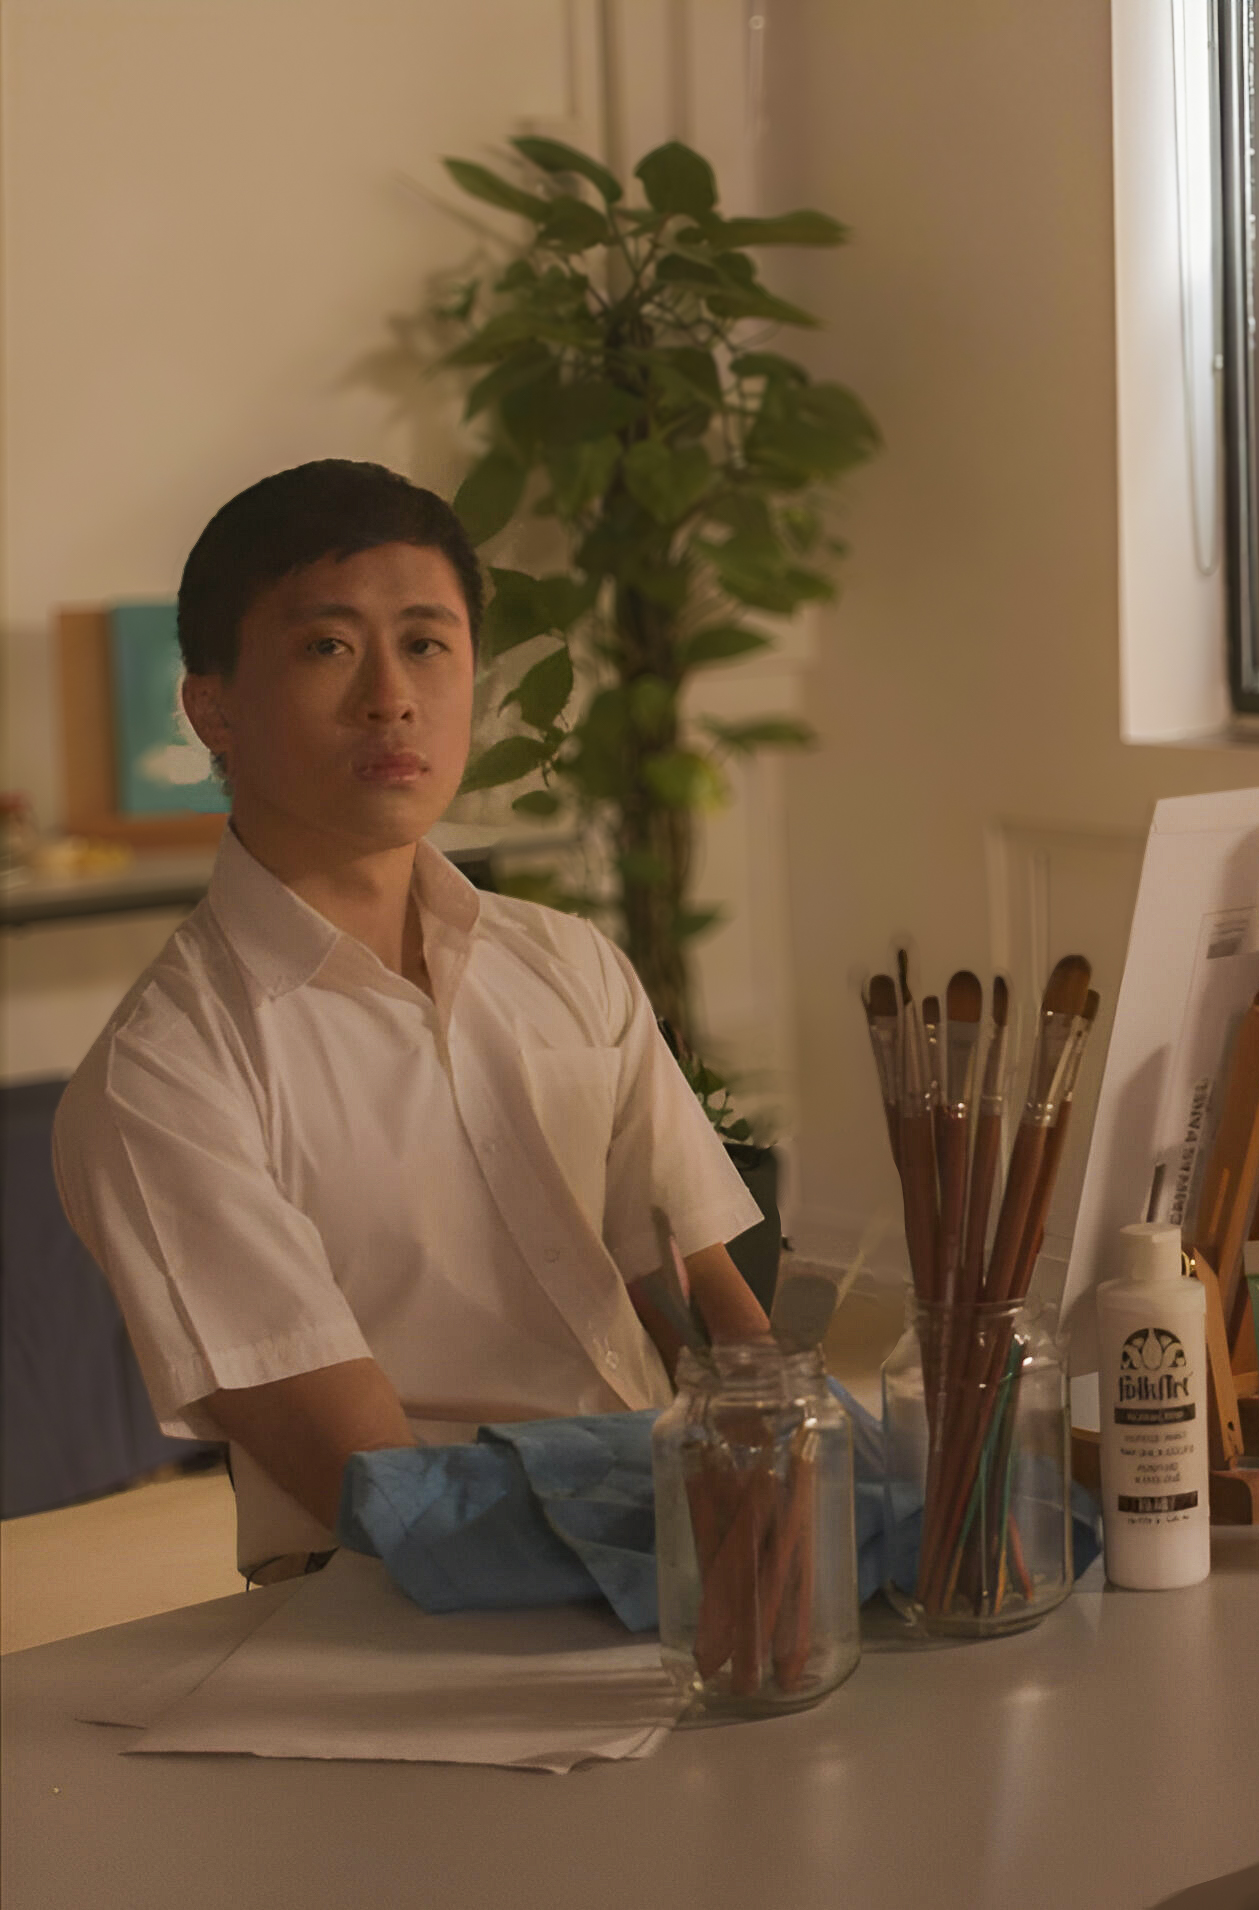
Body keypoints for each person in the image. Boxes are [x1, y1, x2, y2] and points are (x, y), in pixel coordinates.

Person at [53, 460, 770, 1584]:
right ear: (212, 706)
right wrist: (690, 1545)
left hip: (679, 1548)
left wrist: (800, 1472)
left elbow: (705, 1303)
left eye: (427, 643)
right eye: (327, 646)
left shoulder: (568, 961)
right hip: (403, 1618)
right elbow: (389, 1493)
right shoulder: (164, 1075)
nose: (390, 695)